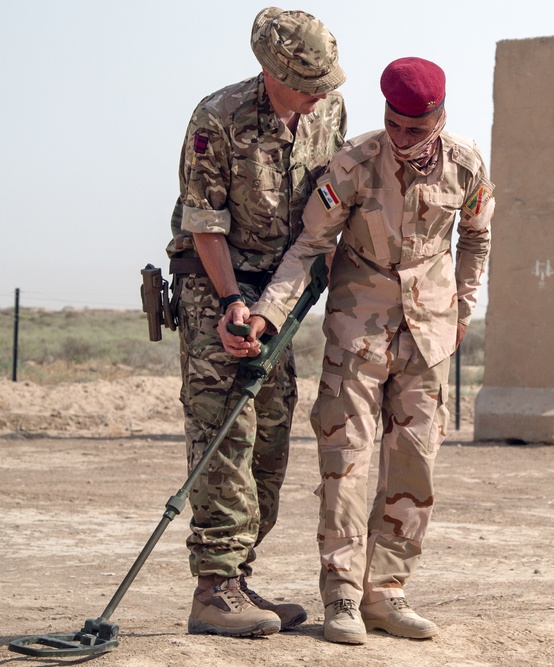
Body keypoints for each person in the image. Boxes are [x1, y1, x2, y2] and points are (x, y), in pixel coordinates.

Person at [221, 56, 494, 644]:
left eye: (415, 130)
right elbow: (309, 246)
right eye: (394, 124)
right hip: (358, 328)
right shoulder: (352, 165)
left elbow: (476, 237)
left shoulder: (467, 165)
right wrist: (268, 313)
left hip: (430, 331)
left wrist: (464, 309)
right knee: (345, 458)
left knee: (416, 459)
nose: (402, 139)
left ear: (440, 118)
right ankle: (342, 595)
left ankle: (387, 593)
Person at [164, 6, 347, 638]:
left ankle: (239, 576)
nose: (317, 95)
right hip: (215, 286)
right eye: (305, 82)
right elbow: (203, 223)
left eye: (324, 83)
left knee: (270, 433)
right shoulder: (217, 117)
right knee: (226, 429)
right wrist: (228, 304)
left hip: (279, 296)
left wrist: (278, 302)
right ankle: (213, 588)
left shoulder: (328, 110)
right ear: (270, 71)